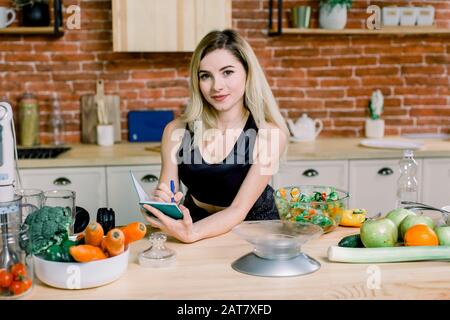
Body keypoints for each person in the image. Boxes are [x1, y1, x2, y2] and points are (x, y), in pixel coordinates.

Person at [141, 29, 289, 243]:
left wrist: (192, 233)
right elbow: (169, 195)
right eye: (205, 76)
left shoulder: (270, 135)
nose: (217, 86)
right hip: (195, 222)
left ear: (247, 72)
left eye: (227, 72)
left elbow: (238, 210)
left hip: (253, 228)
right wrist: (159, 208)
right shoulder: (176, 131)